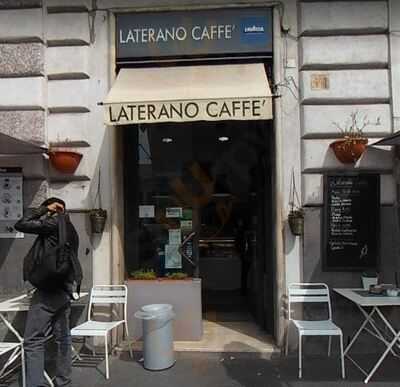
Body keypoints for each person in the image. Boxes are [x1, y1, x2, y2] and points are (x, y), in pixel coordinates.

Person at [14, 197, 80, 387]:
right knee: (63, 339)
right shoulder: (71, 229)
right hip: (64, 290)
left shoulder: (51, 223)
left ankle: (35, 384)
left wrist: (42, 209)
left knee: (33, 341)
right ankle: (63, 381)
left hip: (47, 292)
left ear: (53, 210)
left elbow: (21, 224)